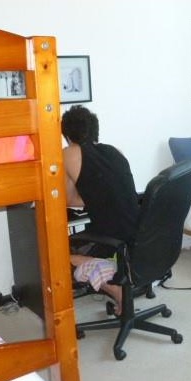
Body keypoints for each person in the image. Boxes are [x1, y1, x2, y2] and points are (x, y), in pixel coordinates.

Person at [61, 105, 140, 313]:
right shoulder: (115, 151)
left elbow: (68, 199)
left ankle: (117, 291)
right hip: (137, 231)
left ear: (67, 136)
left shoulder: (69, 153)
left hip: (111, 236)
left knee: (57, 253)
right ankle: (115, 272)